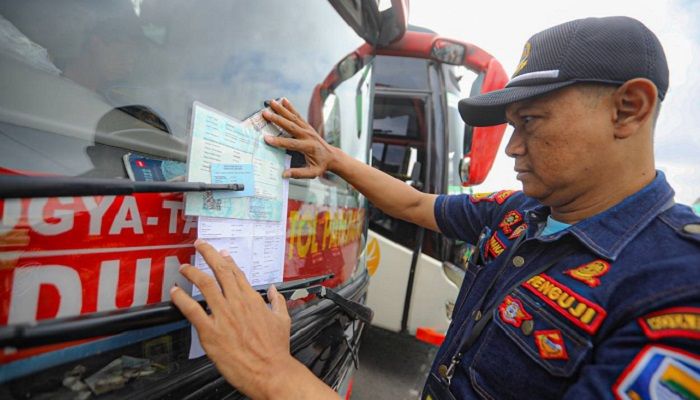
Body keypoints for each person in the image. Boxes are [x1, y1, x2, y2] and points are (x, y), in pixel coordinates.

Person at [171, 16, 700, 399]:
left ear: (629, 108)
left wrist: (271, 373)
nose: (512, 147)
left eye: (531, 122)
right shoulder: (521, 213)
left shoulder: (675, 292)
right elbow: (415, 203)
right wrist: (330, 155)